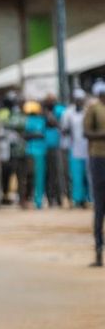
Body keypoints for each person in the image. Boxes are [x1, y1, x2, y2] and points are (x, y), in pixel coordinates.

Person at [84, 80, 105, 267]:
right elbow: (87, 132)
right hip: (98, 158)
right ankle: (98, 251)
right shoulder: (93, 109)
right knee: (100, 207)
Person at [62, 89, 90, 208]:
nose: (80, 101)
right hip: (74, 148)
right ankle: (78, 199)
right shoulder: (68, 113)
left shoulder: (88, 112)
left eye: (81, 99)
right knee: (76, 175)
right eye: (77, 99)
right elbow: (63, 130)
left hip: (88, 148)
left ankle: (90, 199)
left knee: (89, 175)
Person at [22, 101, 48, 209]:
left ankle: (37, 200)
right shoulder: (31, 121)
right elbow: (27, 135)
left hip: (37, 151)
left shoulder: (40, 120)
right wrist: (35, 135)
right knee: (34, 177)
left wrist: (32, 135)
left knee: (36, 177)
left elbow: (40, 135)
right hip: (33, 152)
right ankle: (34, 200)